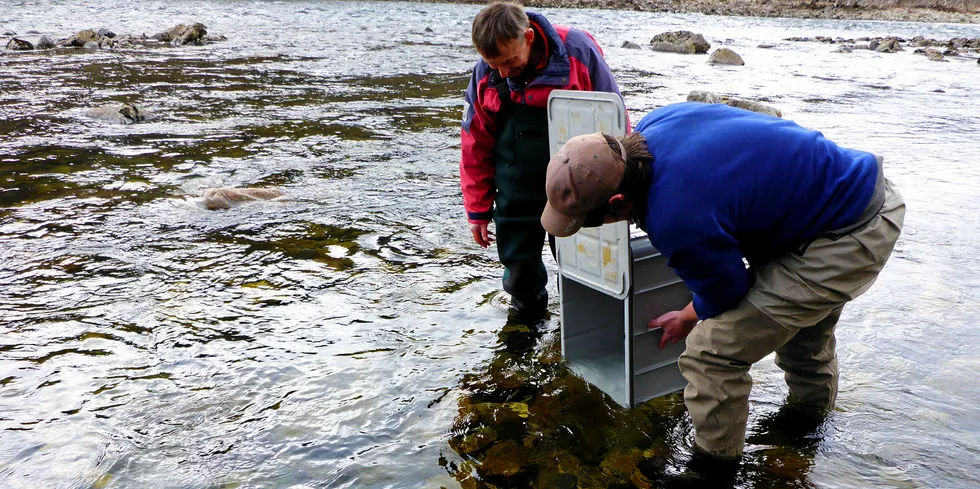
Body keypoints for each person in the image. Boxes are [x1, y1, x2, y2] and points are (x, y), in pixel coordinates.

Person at [539, 102, 905, 484]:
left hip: (850, 233)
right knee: (803, 334)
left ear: (617, 203)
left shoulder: (675, 214)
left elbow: (727, 291)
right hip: (843, 193)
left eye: (592, 221)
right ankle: (805, 431)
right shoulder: (652, 127)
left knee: (711, 354)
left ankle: (713, 472)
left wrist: (687, 316)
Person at [461, 2, 625, 320]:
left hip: (578, 186)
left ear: (530, 37)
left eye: (510, 62)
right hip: (515, 190)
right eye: (494, 65)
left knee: (586, 265)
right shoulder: (486, 73)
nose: (504, 73)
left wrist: (620, 189)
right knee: (520, 273)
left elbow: (615, 125)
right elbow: (474, 144)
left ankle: (583, 326)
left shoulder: (579, 52)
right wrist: (478, 210)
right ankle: (526, 325)